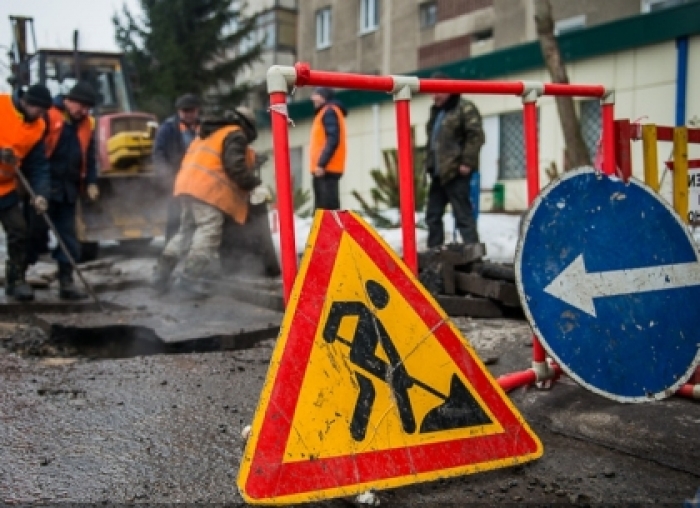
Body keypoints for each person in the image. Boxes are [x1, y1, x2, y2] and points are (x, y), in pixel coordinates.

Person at [151, 107, 262, 297]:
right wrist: (254, 183)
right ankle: (189, 279)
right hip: (206, 190)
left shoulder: (211, 131)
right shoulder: (235, 134)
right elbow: (234, 165)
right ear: (246, 125)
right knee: (209, 230)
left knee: (186, 231)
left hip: (186, 185)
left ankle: (161, 275)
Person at [27, 81, 100, 300]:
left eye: (88, 108)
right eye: (81, 106)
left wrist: (91, 182)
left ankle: (66, 283)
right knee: (32, 235)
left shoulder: (88, 124)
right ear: (68, 100)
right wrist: (36, 190)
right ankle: (18, 278)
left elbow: (90, 156)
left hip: (69, 189)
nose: (84, 111)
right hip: (44, 186)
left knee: (68, 236)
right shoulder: (48, 116)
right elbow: (35, 154)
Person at [0, 85, 51, 301]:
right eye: (39, 111)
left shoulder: (38, 127)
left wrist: (40, 194)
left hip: (5, 187)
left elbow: (38, 165)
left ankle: (15, 280)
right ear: (27, 103)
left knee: (19, 230)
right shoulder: (2, 105)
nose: (41, 116)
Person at [424, 72, 485, 248]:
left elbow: (476, 136)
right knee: (433, 216)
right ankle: (435, 255)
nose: (434, 96)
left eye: (438, 91)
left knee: (463, 216)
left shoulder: (464, 108)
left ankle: (474, 257)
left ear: (449, 89)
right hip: (438, 173)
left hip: (457, 172)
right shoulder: (436, 113)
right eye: (432, 92)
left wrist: (467, 162)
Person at [153, 93, 201, 241]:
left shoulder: (204, 126)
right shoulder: (168, 128)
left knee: (199, 217)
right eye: (184, 111)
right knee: (175, 217)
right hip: (176, 180)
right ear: (178, 111)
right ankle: (171, 248)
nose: (188, 114)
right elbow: (158, 153)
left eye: (191, 111)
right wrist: (166, 175)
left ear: (197, 110)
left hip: (199, 180)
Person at [309, 87, 347, 211]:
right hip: (326, 169)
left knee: (326, 212)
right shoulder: (326, 112)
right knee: (326, 211)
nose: (312, 98)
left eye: (317, 95)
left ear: (324, 97)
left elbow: (333, 139)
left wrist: (321, 163)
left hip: (326, 169)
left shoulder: (328, 111)